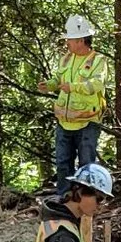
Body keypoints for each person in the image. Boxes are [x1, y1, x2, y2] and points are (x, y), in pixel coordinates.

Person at [42, 15, 114, 188]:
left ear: (81, 40)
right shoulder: (66, 58)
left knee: (86, 165)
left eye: (70, 39)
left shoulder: (98, 61)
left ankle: (85, 202)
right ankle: (65, 201)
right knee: (62, 164)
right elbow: (58, 79)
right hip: (64, 122)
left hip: (87, 122)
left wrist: (73, 87)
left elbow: (96, 84)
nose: (67, 42)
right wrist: (50, 85)